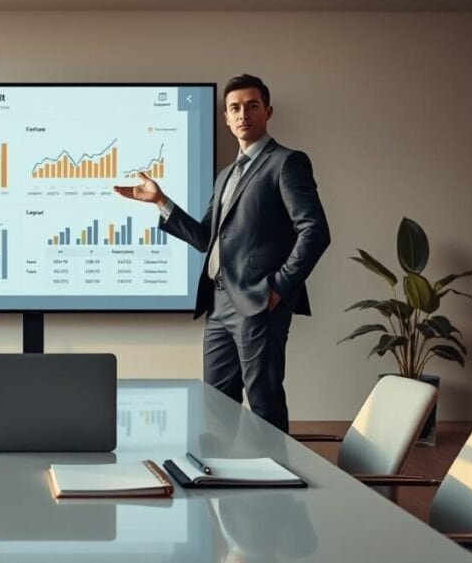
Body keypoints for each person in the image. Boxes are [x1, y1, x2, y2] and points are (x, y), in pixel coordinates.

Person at [114, 74, 330, 432]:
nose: (243, 113)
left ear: (268, 111)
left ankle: (275, 482)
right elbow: (205, 238)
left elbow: (315, 230)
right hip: (218, 303)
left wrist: (278, 288)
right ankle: (219, 482)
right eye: (234, 108)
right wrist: (161, 201)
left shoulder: (286, 162)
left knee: (264, 404)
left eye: (252, 105)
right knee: (215, 406)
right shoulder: (227, 174)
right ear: (226, 119)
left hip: (259, 301)